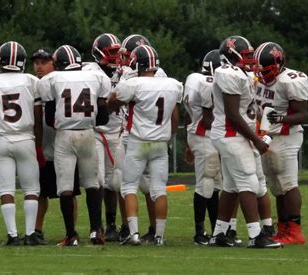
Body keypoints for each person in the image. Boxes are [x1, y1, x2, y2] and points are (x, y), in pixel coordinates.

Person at [209, 35, 281, 248]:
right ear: (231, 56)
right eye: (247, 56)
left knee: (231, 186)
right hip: (231, 134)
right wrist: (256, 140)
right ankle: (256, 235)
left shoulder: (244, 74)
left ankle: (220, 234)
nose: (251, 60)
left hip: (239, 134)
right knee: (247, 182)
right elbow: (232, 114)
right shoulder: (227, 73)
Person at [109, 45, 183, 246]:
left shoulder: (134, 83)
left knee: (129, 186)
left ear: (136, 63)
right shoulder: (173, 84)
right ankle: (159, 236)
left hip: (138, 142)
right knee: (159, 189)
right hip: (160, 143)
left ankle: (133, 234)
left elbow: (112, 101)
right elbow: (175, 114)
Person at [37, 45, 110, 246]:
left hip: (64, 136)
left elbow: (50, 117)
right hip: (88, 134)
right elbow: (103, 116)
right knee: (92, 183)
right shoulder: (96, 77)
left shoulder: (52, 80)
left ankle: (71, 235)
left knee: (65, 187)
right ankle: (96, 230)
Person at [0, 41, 43, 246]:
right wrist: (38, 146)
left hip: (1, 140)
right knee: (31, 188)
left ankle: (12, 235)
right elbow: (38, 119)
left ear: (0, 61)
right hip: (25, 138)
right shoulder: (32, 81)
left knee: (5, 189)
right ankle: (31, 234)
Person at [254, 42, 308, 244]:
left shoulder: (291, 80)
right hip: (268, 136)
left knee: (288, 183)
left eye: (265, 70)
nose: (261, 75)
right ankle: (283, 227)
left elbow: (302, 114)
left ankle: (295, 230)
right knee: (276, 186)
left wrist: (280, 119)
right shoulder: (258, 80)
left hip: (287, 136)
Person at [31, 48, 81, 245]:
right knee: (40, 192)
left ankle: (71, 231)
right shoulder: (34, 84)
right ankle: (36, 229)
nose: (39, 66)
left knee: (70, 191)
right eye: (36, 62)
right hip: (44, 146)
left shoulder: (64, 82)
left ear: (54, 63)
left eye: (44, 62)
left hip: (65, 144)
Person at [82, 33, 123, 242]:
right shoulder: (91, 72)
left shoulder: (123, 71)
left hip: (117, 130)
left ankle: (112, 225)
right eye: (112, 52)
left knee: (113, 182)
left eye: (118, 52)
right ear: (99, 53)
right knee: (96, 179)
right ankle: (96, 227)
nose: (116, 57)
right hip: (96, 131)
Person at [183, 49, 221, 245]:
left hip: (196, 135)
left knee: (214, 185)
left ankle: (216, 230)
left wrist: (187, 142)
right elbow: (207, 121)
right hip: (205, 135)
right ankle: (200, 232)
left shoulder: (193, 78)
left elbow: (187, 115)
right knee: (206, 184)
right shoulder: (208, 83)